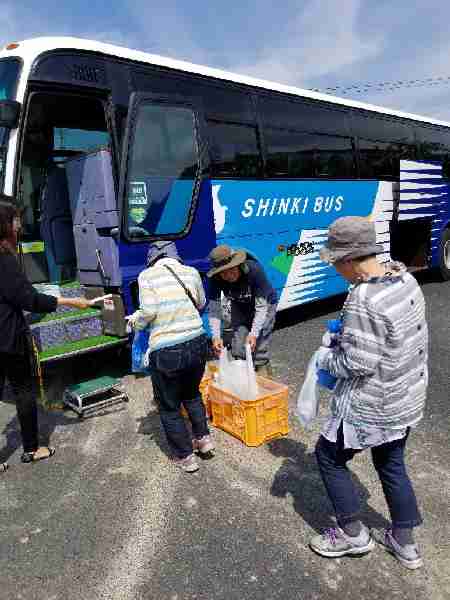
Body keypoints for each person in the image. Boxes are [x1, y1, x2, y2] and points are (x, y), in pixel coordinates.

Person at [309, 216, 427, 570]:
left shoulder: (363, 297)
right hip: (405, 396)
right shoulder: (404, 279)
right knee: (391, 463)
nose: (335, 270)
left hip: (372, 405)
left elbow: (358, 363)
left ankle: (352, 535)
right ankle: (405, 543)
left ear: (348, 259)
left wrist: (327, 356)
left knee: (328, 457)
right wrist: (349, 336)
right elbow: (396, 339)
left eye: (335, 263)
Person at [0, 196, 92, 470]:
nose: (19, 226)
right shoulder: (4, 258)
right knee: (23, 390)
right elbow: (28, 299)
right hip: (7, 338)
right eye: (15, 220)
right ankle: (32, 449)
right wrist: (68, 301)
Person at [128, 241, 213, 473]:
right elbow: (202, 303)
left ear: (152, 259)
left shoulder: (146, 276)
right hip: (197, 343)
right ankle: (203, 441)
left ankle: (186, 457)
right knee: (192, 394)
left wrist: (135, 321)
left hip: (167, 349)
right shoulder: (191, 271)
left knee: (169, 406)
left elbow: (149, 312)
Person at [207, 245, 277, 377]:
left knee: (259, 343)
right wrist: (215, 336)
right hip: (239, 304)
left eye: (231, 269)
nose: (228, 275)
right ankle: (241, 373)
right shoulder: (215, 279)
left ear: (238, 264)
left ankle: (263, 372)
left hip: (265, 303)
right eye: (223, 272)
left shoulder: (254, 270)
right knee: (238, 341)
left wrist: (254, 334)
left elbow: (261, 307)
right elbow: (214, 309)